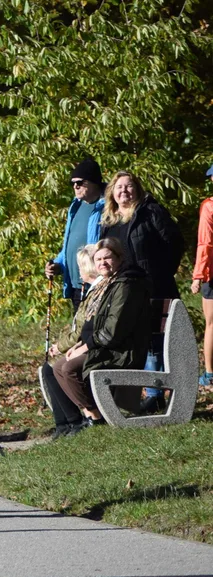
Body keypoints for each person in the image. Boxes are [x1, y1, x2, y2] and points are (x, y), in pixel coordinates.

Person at [100, 171, 183, 411]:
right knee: (138, 341)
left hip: (154, 286)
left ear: (137, 189)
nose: (124, 191)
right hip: (124, 292)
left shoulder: (151, 212)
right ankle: (148, 394)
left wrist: (163, 272)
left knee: (157, 341)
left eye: (129, 186)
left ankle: (158, 393)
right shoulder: (110, 221)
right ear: (112, 193)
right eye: (119, 187)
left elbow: (174, 242)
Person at [51, 237, 151, 426]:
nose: (103, 263)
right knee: (57, 367)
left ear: (119, 258)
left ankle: (96, 416)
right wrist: (81, 345)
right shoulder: (109, 283)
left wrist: (85, 348)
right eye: (98, 260)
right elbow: (96, 324)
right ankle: (91, 413)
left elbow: (113, 331)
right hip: (108, 345)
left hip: (123, 350)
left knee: (68, 368)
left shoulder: (126, 284)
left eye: (107, 258)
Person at [43, 246, 100, 438]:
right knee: (49, 368)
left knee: (58, 367)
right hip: (86, 344)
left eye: (80, 267)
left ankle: (77, 419)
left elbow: (84, 330)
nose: (78, 272)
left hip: (97, 348)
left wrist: (60, 346)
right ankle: (64, 423)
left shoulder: (97, 292)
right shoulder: (90, 292)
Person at [45, 158, 105, 311]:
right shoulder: (75, 206)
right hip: (75, 284)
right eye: (73, 183)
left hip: (96, 283)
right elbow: (70, 243)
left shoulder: (107, 207)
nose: (75, 186)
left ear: (94, 182)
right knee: (79, 332)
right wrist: (58, 264)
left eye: (80, 182)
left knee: (94, 331)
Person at [191, 164, 213, 386]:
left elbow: (205, 242)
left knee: (211, 324)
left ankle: (209, 372)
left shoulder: (209, 207)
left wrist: (198, 275)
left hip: (212, 274)